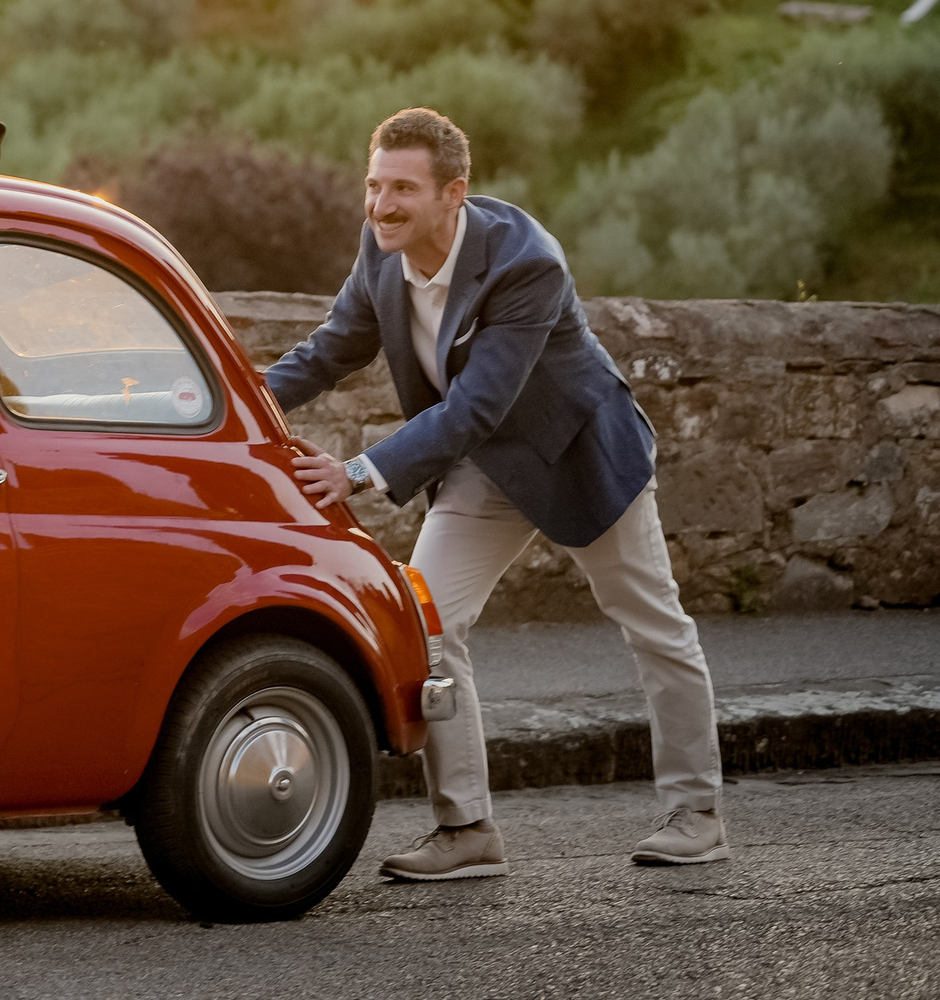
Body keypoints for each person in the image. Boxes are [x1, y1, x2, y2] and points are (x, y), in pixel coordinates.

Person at [270, 108, 725, 880]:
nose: (381, 204)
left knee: (654, 625)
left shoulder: (526, 262)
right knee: (426, 622)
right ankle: (467, 829)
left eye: (403, 188)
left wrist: (357, 471)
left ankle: (699, 815)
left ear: (454, 192)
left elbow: (476, 404)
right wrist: (232, 404)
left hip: (577, 455)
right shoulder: (380, 248)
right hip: (484, 465)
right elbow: (329, 349)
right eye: (375, 185)